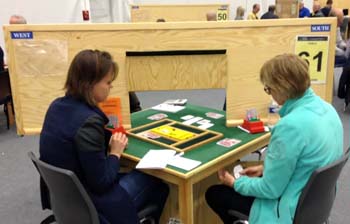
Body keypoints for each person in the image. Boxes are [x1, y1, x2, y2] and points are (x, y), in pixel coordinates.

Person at [206, 53, 343, 224]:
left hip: (287, 209)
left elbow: (270, 189)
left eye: (268, 89)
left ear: (281, 88)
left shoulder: (289, 126)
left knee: (215, 194)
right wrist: (266, 169)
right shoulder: (328, 109)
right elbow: (308, 160)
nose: (269, 94)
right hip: (313, 204)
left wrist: (235, 183)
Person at [39, 49, 169, 224]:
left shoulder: (56, 106)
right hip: (93, 202)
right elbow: (103, 182)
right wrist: (115, 153)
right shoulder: (89, 122)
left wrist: (106, 136)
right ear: (90, 84)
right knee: (155, 181)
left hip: (66, 198)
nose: (111, 87)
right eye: (108, 82)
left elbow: (73, 136)